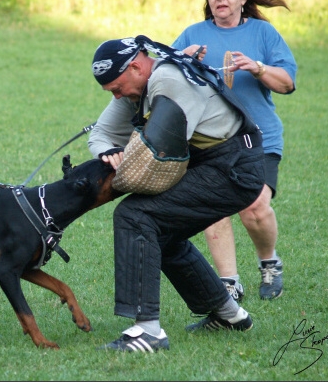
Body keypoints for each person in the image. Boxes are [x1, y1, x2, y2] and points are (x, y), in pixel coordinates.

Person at [88, 35, 265, 352]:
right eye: (111, 91)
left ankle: (148, 332)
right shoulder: (136, 87)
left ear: (137, 66)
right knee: (160, 231)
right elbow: (101, 133)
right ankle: (229, 315)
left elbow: (157, 155)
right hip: (214, 165)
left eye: (117, 88)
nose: (117, 96)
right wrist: (108, 153)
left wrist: (117, 173)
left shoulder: (168, 80)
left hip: (233, 167)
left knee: (135, 215)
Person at [172, 0, 297, 302]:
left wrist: (257, 67)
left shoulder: (263, 34)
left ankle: (268, 262)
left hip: (259, 138)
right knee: (214, 209)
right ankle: (229, 284)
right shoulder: (193, 34)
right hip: (210, 141)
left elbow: (287, 83)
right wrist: (181, 61)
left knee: (255, 207)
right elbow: (164, 78)